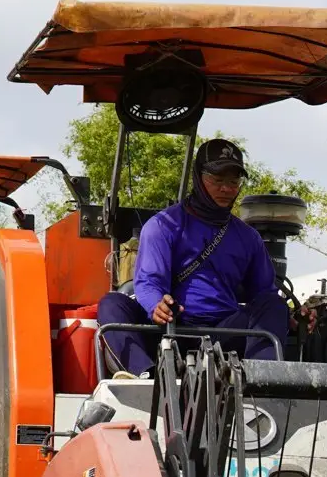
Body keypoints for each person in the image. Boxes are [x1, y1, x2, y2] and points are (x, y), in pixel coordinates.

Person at [96, 138, 287, 372]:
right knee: (111, 303)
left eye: (233, 181)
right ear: (198, 177)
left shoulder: (249, 238)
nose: (226, 188)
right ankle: (145, 377)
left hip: (223, 333)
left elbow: (264, 295)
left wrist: (291, 316)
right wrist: (156, 305)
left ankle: (261, 382)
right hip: (169, 330)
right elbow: (148, 282)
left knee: (274, 305)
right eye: (217, 180)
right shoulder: (163, 226)